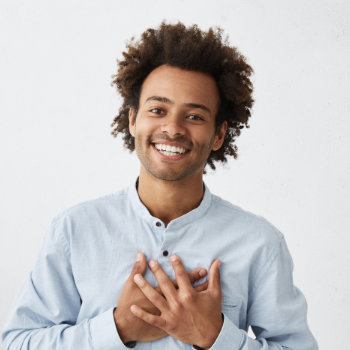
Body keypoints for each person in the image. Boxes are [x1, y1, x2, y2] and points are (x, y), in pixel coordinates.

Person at [2, 22, 318, 350]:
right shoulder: (73, 230)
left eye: (194, 116)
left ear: (219, 135)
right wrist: (117, 328)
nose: (173, 128)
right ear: (133, 120)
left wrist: (216, 337)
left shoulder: (260, 244)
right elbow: (17, 344)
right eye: (158, 110)